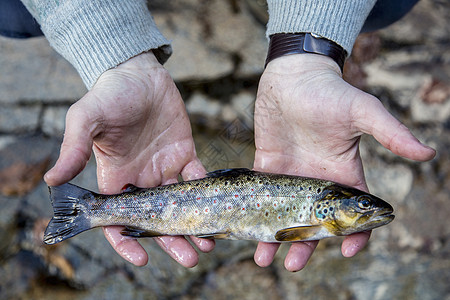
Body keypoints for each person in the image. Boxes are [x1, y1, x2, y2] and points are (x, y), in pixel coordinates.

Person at [3, 0, 435, 272]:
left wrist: (309, 49)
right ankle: (92, 209)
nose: (366, 210)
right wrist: (114, 55)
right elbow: (287, 235)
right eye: (359, 207)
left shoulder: (317, 215)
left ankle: (93, 210)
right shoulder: (312, 218)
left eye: (361, 208)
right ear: (329, 208)